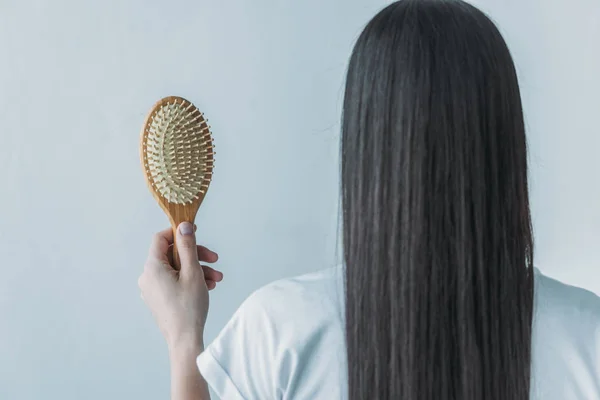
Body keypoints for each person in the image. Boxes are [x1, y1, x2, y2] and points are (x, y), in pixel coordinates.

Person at [138, 0, 600, 399]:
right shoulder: (588, 339)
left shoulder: (280, 333)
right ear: (506, 147)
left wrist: (184, 338)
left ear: (364, 148)